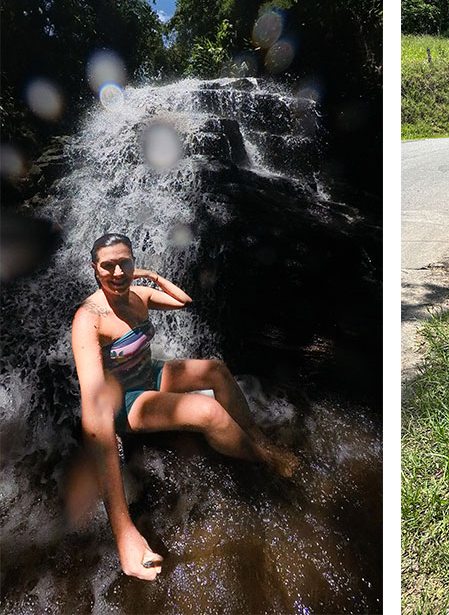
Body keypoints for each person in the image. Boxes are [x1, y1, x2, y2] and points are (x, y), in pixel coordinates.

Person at [71, 233, 298, 581]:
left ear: (133, 263)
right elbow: (95, 412)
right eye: (108, 266)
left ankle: (256, 438)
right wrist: (123, 531)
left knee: (216, 370)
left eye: (124, 263)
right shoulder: (89, 319)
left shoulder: (139, 294)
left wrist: (153, 277)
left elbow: (183, 301)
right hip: (125, 401)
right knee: (208, 412)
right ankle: (262, 458)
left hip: (149, 374)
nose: (117, 272)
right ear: (94, 268)